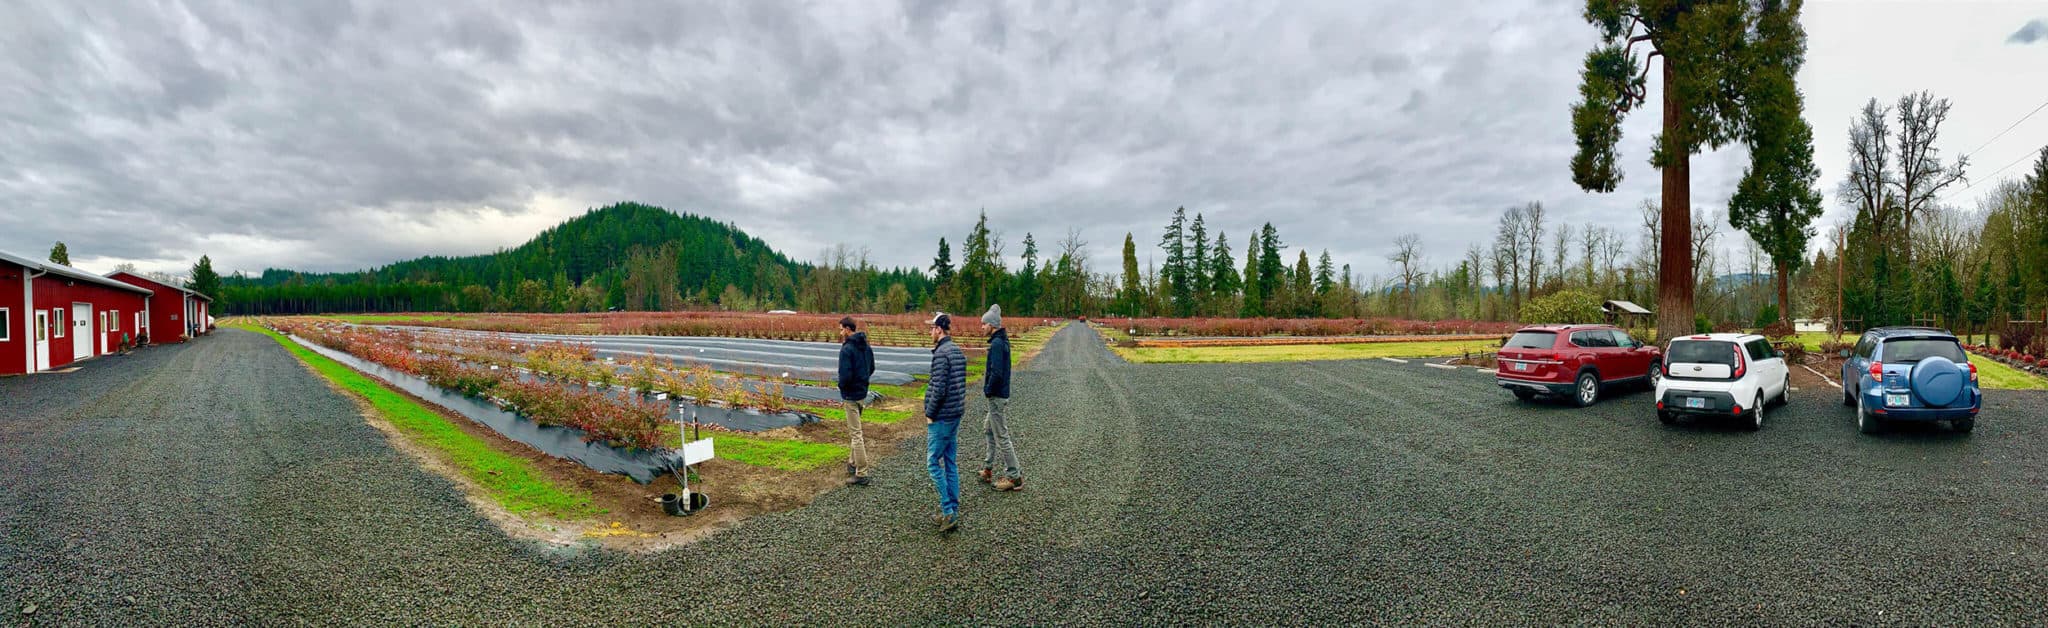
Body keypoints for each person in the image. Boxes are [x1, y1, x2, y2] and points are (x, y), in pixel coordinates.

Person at [923, 312, 968, 533]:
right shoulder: (957, 351)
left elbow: (938, 388)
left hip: (942, 417)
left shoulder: (941, 354)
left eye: (931, 328)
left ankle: (948, 511)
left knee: (933, 463)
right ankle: (952, 508)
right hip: (955, 414)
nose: (930, 332)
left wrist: (930, 413)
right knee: (950, 462)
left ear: (939, 329)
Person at [976, 305, 1023, 491]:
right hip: (998, 395)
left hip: (996, 396)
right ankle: (988, 468)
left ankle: (1014, 476)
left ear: (992, 325)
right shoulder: (1000, 341)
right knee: (988, 429)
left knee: (1002, 436)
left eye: (984, 324)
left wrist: (988, 390)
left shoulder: (996, 344)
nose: (982, 327)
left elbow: (996, 372)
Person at [836, 316, 877, 486]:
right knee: (856, 430)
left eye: (840, 329)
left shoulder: (847, 350)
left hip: (851, 396)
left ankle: (862, 472)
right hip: (862, 393)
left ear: (847, 329)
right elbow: (872, 367)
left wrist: (842, 387)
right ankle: (852, 463)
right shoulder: (865, 346)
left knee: (856, 434)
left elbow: (844, 375)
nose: (839, 333)